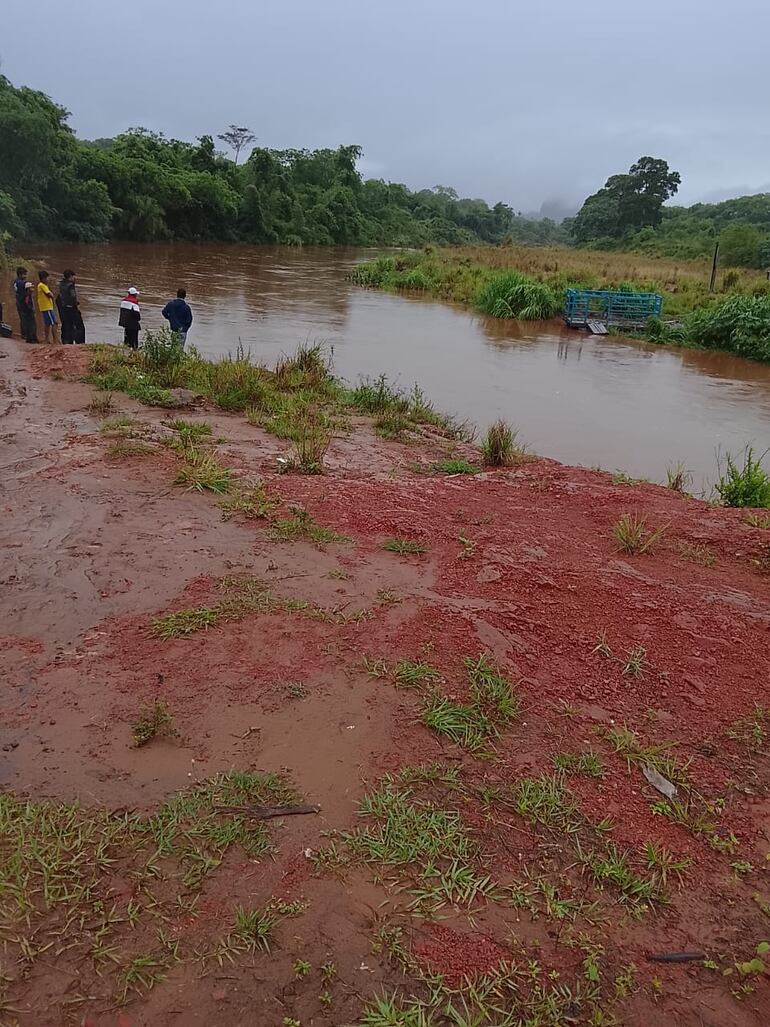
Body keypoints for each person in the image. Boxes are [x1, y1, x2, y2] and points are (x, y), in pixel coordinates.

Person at [58, 270, 86, 344]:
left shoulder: (61, 284)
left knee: (67, 325)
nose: (74, 278)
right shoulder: (71, 285)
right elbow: (72, 296)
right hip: (72, 308)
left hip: (64, 308)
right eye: (73, 276)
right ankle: (80, 342)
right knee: (79, 326)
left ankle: (67, 341)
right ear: (70, 276)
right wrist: (76, 304)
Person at [37, 270, 59, 344]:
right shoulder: (43, 285)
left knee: (47, 324)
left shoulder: (40, 285)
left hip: (44, 307)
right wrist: (53, 294)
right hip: (47, 307)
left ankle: (46, 339)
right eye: (47, 278)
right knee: (54, 323)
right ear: (43, 278)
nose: (48, 280)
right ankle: (55, 341)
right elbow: (50, 295)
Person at [13, 266, 27, 334]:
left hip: (19, 301)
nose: (25, 276)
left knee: (22, 318)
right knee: (24, 318)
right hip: (21, 302)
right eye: (24, 274)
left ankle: (23, 333)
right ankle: (24, 334)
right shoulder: (20, 283)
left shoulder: (16, 281)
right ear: (20, 274)